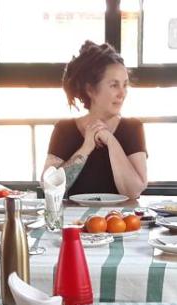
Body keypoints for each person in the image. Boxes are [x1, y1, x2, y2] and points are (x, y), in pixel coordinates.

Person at [43, 41, 148, 199]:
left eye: (125, 85)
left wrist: (111, 141)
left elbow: (133, 191)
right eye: (114, 85)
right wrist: (86, 148)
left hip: (121, 215)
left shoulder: (132, 127)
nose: (122, 93)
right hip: (74, 215)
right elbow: (50, 188)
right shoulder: (64, 129)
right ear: (90, 89)